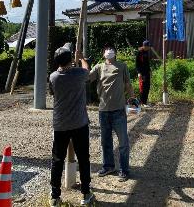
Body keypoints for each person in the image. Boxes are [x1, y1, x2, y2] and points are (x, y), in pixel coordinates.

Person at [48, 43, 95, 206]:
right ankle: (86, 194)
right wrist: (81, 58)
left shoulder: (53, 77)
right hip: (79, 124)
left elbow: (53, 92)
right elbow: (87, 70)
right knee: (83, 158)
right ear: (70, 60)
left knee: (57, 159)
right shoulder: (79, 74)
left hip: (60, 124)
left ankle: (55, 196)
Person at [84, 43, 135, 182]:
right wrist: (81, 61)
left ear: (116, 52)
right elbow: (86, 77)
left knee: (123, 142)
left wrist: (133, 100)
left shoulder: (122, 66)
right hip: (103, 110)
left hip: (118, 110)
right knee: (105, 141)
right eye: (106, 49)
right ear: (103, 53)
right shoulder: (99, 67)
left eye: (111, 49)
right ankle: (108, 166)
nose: (109, 51)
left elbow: (128, 84)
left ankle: (124, 169)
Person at [136, 40, 153, 107]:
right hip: (142, 73)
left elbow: (147, 63)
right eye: (149, 46)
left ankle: (145, 101)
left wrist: (150, 70)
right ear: (145, 46)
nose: (149, 47)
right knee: (143, 87)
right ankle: (142, 103)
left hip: (147, 72)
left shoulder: (146, 52)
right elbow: (137, 64)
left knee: (147, 87)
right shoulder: (139, 52)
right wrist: (139, 72)